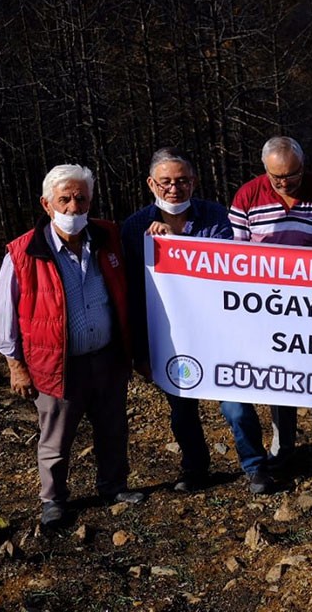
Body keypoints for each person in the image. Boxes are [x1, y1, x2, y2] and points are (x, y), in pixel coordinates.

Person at [0, 164, 144, 528]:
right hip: (56, 363)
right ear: (47, 204)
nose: (73, 207)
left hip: (107, 356)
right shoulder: (24, 253)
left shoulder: (108, 237)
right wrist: (16, 365)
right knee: (56, 438)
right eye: (65, 199)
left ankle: (113, 485)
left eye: (81, 198)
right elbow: (3, 315)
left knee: (113, 427)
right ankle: (54, 500)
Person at [122, 148, 251, 493]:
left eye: (181, 181)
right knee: (182, 410)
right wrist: (140, 353)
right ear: (151, 183)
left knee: (237, 406)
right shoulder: (133, 229)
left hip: (220, 334)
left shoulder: (217, 217)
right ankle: (194, 468)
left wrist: (176, 246)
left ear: (193, 182)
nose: (174, 189)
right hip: (170, 338)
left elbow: (229, 270)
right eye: (165, 182)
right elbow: (132, 294)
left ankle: (254, 465)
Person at [229, 136, 312, 469]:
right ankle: (283, 446)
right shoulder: (247, 196)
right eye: (277, 177)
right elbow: (236, 254)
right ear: (265, 171)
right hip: (269, 306)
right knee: (280, 376)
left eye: (292, 175)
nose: (285, 182)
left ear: (303, 166)